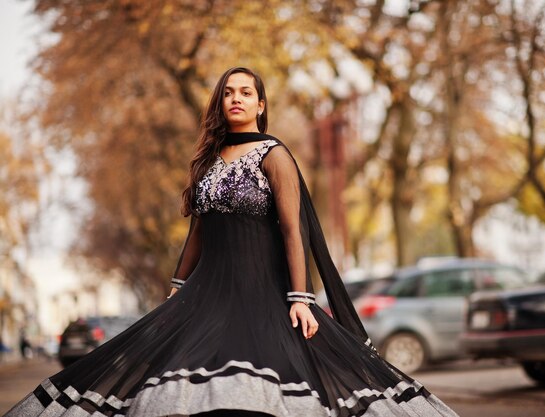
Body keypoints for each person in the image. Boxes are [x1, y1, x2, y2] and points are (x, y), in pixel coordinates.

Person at [6, 67, 458, 417]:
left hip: (264, 294)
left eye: (245, 92)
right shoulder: (207, 160)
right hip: (206, 295)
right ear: (220, 103)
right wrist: (177, 289)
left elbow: (291, 230)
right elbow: (197, 232)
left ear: (260, 104)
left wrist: (300, 299)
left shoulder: (275, 154)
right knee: (173, 388)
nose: (235, 98)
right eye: (228, 92)